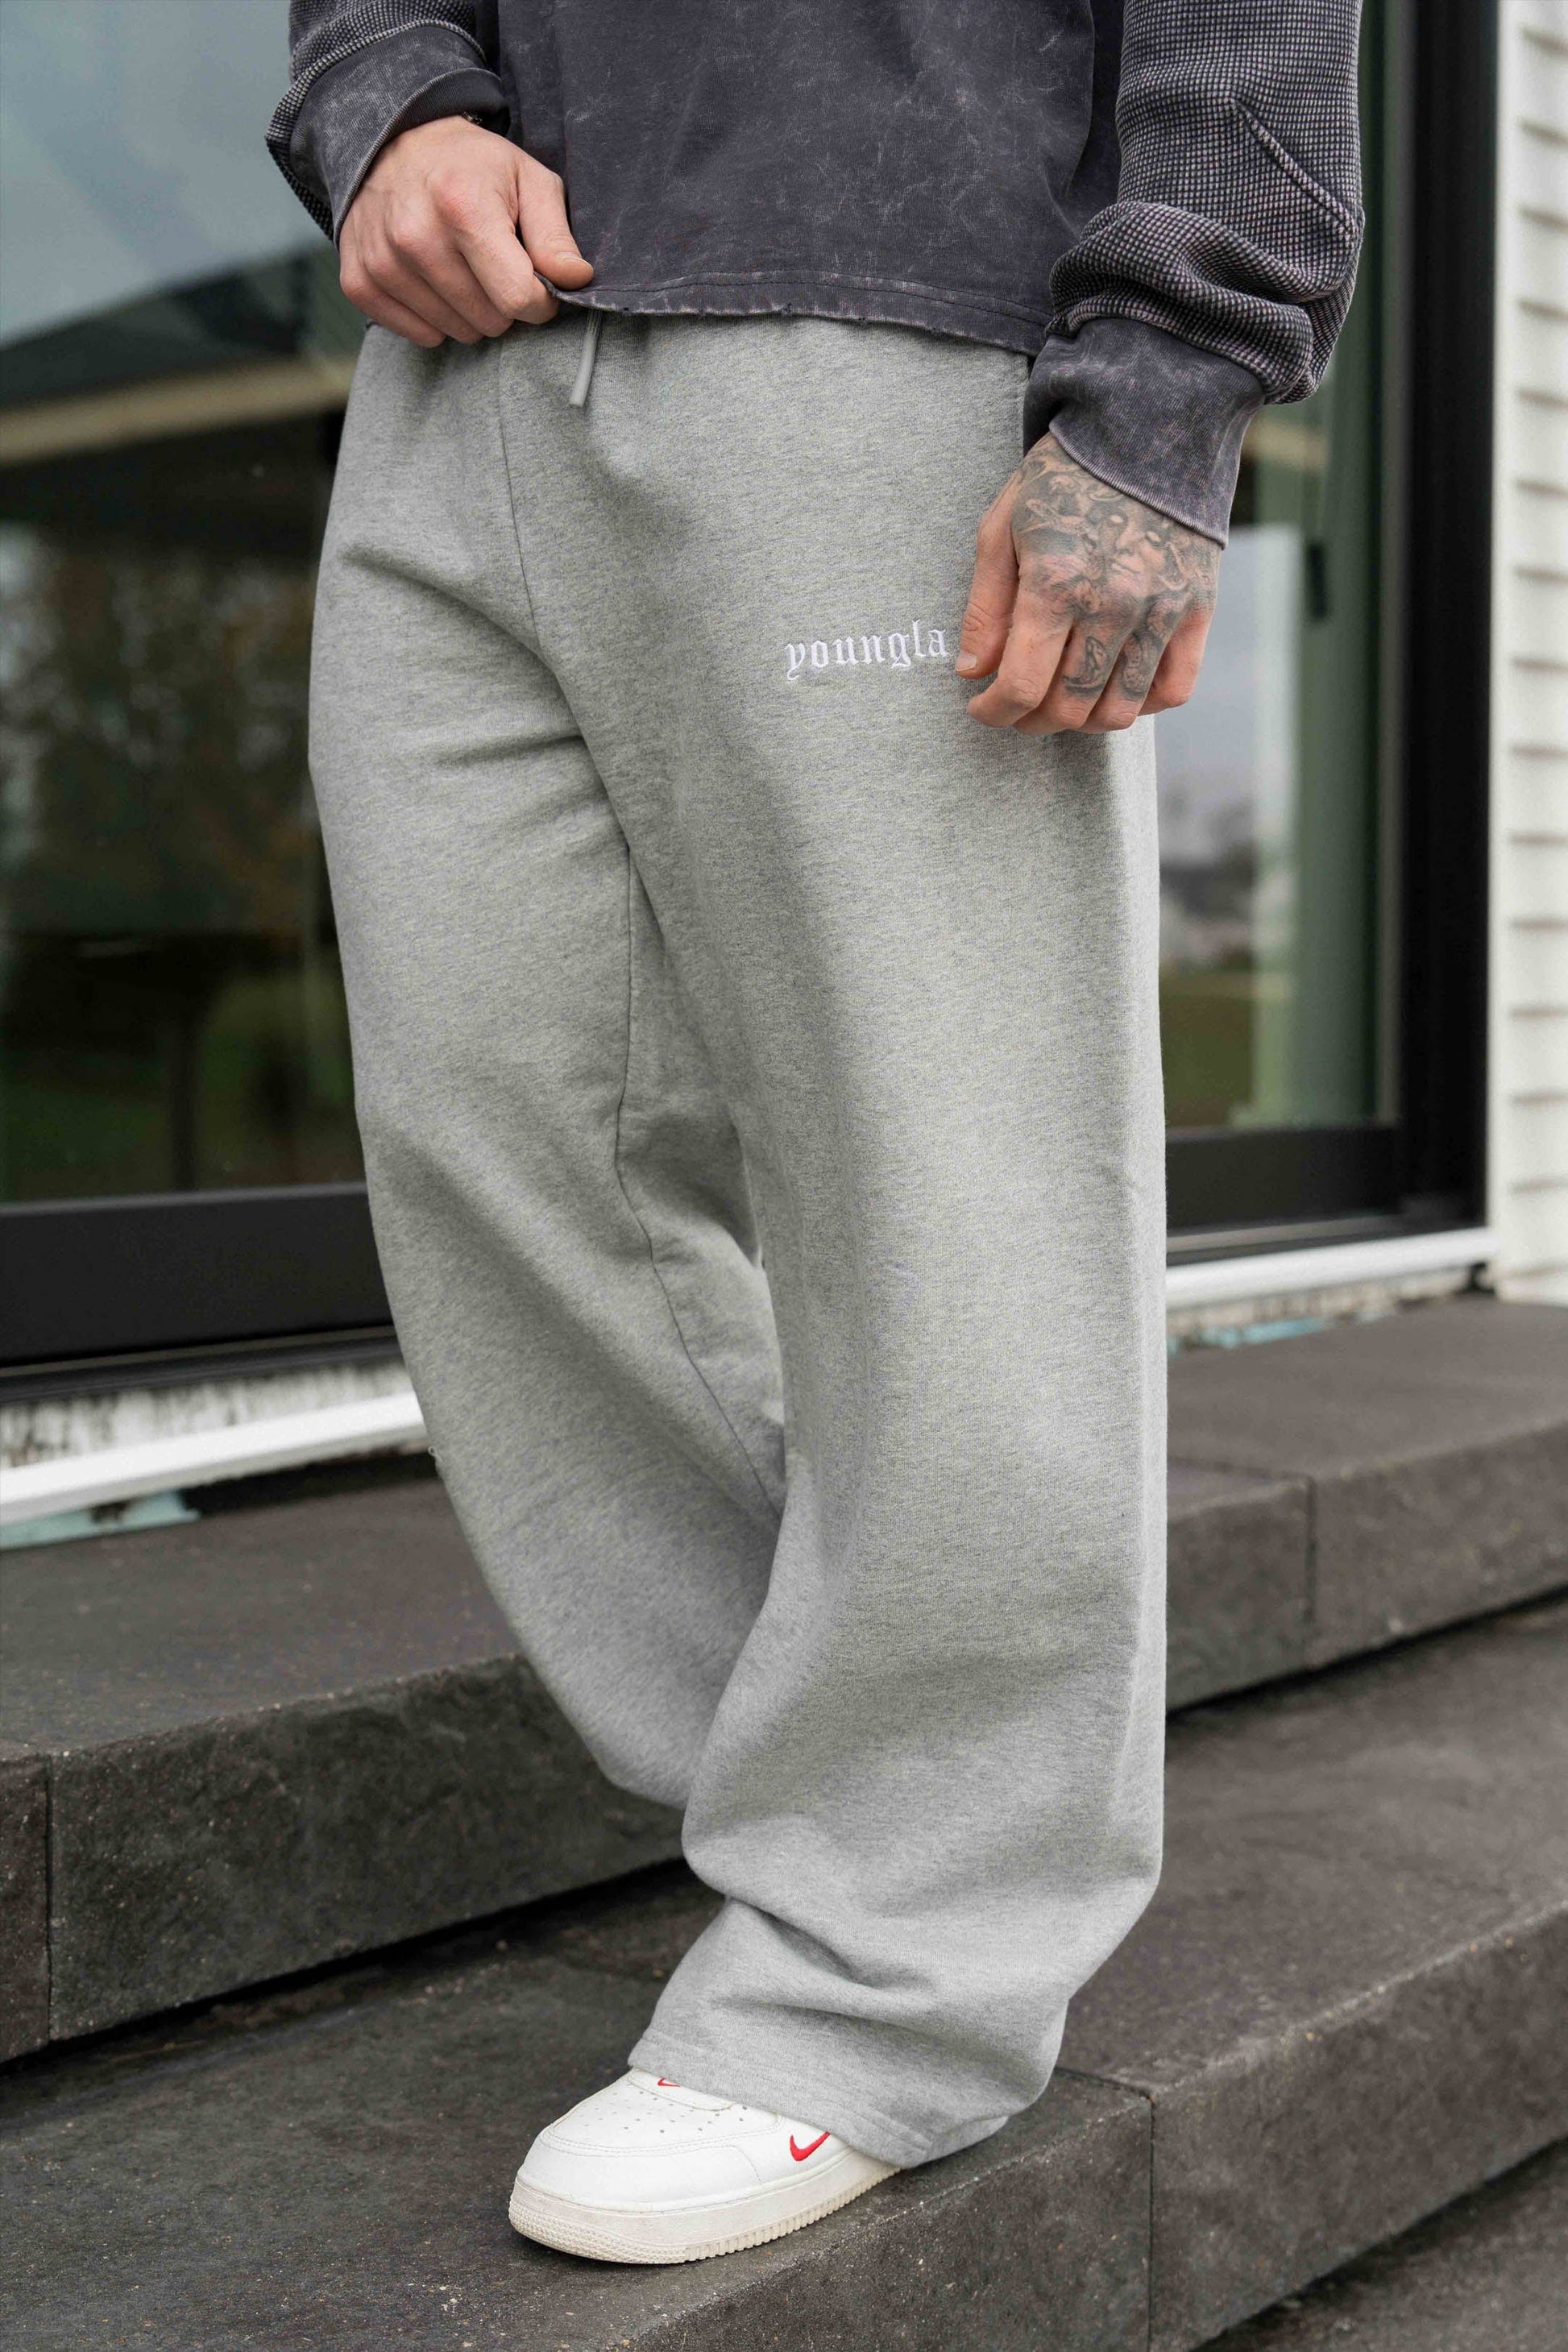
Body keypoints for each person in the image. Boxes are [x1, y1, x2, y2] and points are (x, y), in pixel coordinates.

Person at [268, 0, 1361, 2267]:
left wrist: (1167, 384)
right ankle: (866, 1803)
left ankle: (892, 1973)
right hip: (466, 365)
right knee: (496, 1135)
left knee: (944, 1189)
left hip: (889, 323)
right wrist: (388, 98)